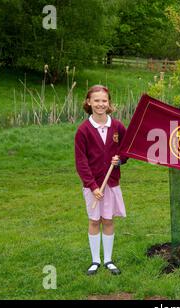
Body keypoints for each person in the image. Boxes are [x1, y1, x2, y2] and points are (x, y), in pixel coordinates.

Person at [75, 85, 128, 276]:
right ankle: (95, 260)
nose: (100, 104)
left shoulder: (117, 127)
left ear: (109, 103)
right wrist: (92, 185)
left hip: (111, 184)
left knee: (108, 220)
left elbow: (125, 151)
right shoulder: (83, 131)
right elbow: (81, 162)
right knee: (94, 221)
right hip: (93, 187)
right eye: (96, 100)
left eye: (104, 100)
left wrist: (120, 159)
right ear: (89, 102)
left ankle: (108, 260)